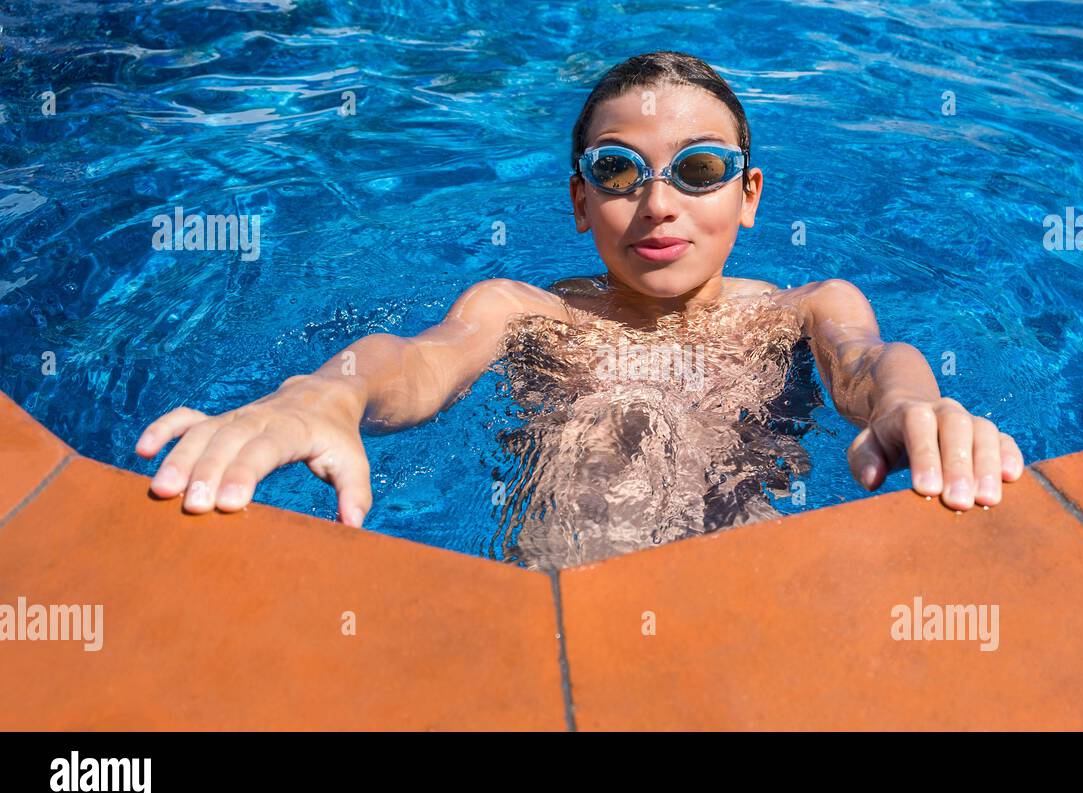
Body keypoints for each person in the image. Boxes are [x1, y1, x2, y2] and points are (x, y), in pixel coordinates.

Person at [134, 51, 1024, 567]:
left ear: (749, 195)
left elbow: (870, 360)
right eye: (618, 170)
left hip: (736, 590)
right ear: (577, 203)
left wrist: (912, 408)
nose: (659, 201)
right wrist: (326, 393)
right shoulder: (524, 309)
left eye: (700, 169)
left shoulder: (803, 307)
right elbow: (419, 356)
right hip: (549, 602)